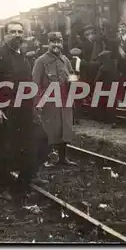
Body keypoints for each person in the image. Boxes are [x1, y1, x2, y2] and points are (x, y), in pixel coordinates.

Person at [0, 21, 41, 203]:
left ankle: (21, 183)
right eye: (13, 32)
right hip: (5, 109)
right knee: (3, 148)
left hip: (23, 109)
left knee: (32, 144)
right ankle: (1, 187)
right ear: (5, 35)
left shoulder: (22, 56)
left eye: (20, 32)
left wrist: (33, 106)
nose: (17, 35)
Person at [32, 32, 77, 167]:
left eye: (59, 42)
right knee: (50, 130)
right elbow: (35, 83)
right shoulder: (41, 61)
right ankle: (48, 159)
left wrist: (74, 81)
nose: (56, 45)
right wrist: (38, 103)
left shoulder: (66, 60)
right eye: (53, 42)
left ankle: (63, 158)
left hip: (65, 99)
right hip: (49, 100)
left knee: (65, 130)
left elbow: (72, 77)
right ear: (48, 43)